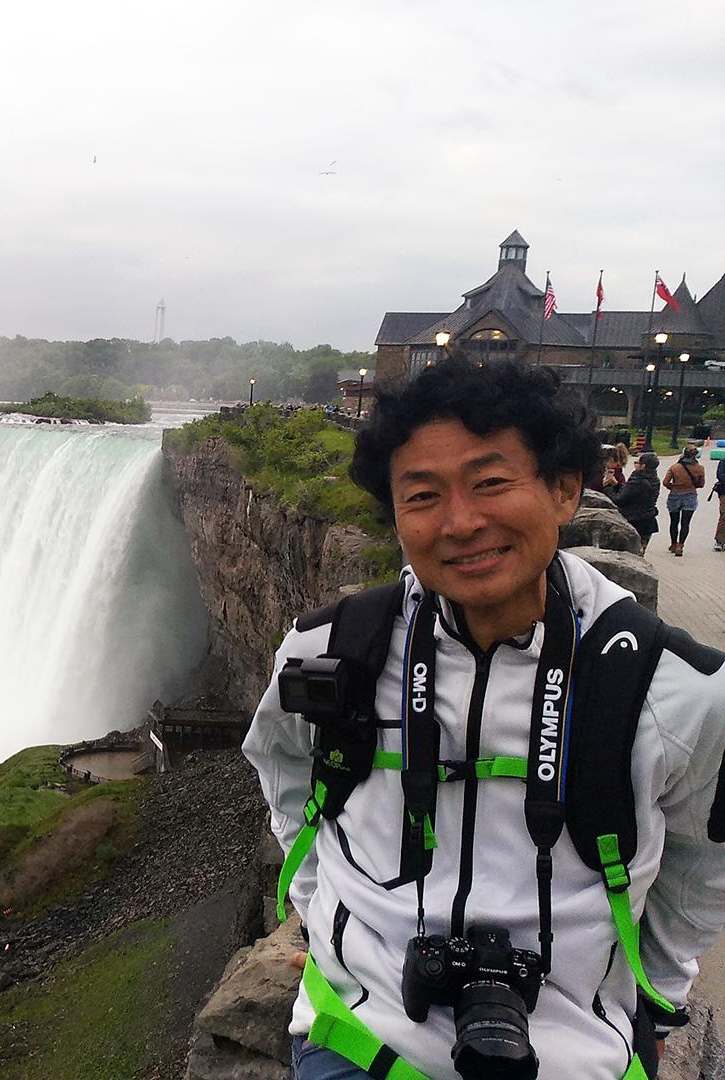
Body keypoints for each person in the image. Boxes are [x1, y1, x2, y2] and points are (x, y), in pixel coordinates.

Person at [245, 360, 725, 1080]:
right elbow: (282, 763)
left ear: (565, 491)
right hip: (359, 1035)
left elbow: (704, 862)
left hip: (575, 1050)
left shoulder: (673, 688)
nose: (461, 522)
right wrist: (323, 909)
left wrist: (655, 997)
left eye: (491, 483)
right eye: (423, 495)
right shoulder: (334, 649)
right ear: (397, 516)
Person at [662, 445, 705, 556]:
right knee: (685, 523)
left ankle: (673, 544)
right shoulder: (700, 468)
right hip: (690, 495)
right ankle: (681, 545)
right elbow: (701, 484)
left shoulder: (675, 467)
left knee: (674, 522)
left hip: (675, 495)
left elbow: (665, 482)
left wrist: (674, 487)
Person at [616, 451, 661, 550]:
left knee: (628, 552)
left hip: (633, 520)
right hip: (648, 520)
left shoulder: (637, 480)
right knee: (640, 551)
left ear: (643, 466)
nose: (635, 465)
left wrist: (609, 488)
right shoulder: (655, 480)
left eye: (637, 462)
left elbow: (619, 499)